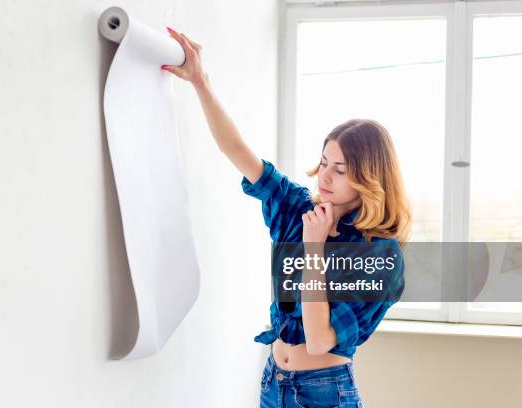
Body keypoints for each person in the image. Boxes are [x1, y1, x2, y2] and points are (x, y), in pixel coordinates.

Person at [162, 26, 411, 408]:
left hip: (325, 393)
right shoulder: (299, 209)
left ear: (369, 177)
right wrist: (200, 82)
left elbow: (318, 339)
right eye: (324, 162)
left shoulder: (379, 253)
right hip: (273, 383)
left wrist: (314, 248)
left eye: (340, 169)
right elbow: (238, 152)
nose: (324, 176)